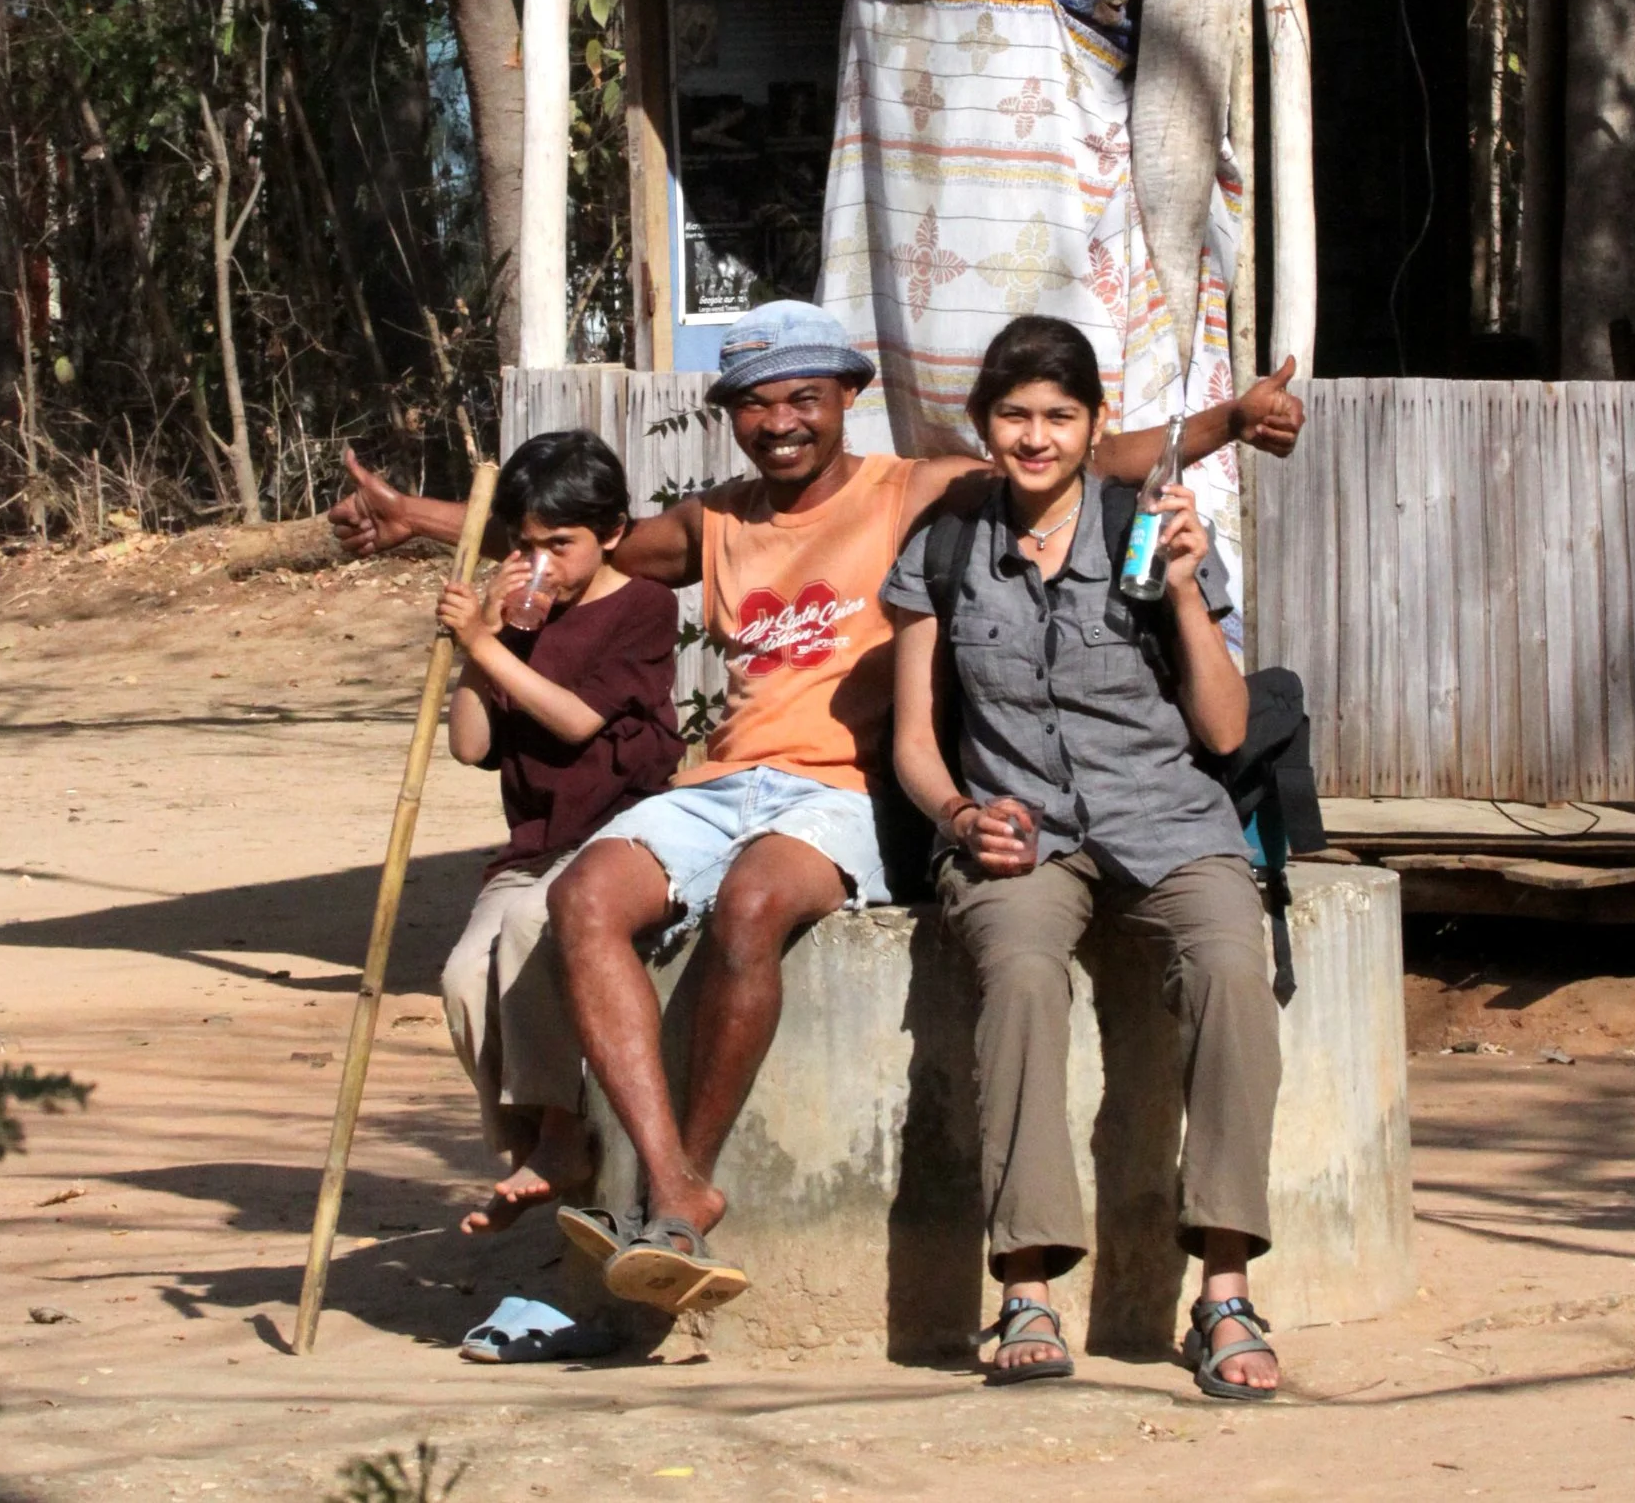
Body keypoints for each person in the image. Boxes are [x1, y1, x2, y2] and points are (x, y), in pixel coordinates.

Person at [329, 299, 1303, 1318]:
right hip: (724, 782)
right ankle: (675, 1192)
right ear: (732, 417)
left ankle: (684, 1189)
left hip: (841, 790)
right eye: (755, 404)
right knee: (582, 899)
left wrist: (1231, 419)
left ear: (850, 399)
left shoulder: (916, 492)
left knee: (754, 904)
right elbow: (575, 539)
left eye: (805, 397)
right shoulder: (716, 523)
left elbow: (1082, 450)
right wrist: (421, 520)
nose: (781, 421)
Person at [886, 315, 1282, 1399]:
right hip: (1023, 835)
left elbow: (1226, 730)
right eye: (1014, 414)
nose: (1036, 436)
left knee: (1233, 975)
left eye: (1060, 415)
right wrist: (963, 820)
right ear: (984, 426)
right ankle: (1026, 1286)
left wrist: (1191, 591)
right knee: (1017, 978)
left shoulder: (1149, 528)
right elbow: (915, 738)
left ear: (1094, 425)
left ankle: (1226, 1291)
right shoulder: (948, 544)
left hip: (1167, 817)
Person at [435, 430, 680, 1237]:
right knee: (466, 976)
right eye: (527, 545)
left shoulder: (641, 607)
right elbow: (470, 744)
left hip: (616, 831)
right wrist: (486, 644)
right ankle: (526, 1148)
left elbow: (577, 722)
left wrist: (483, 644)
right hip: (534, 842)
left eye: (562, 545)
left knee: (534, 930)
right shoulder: (515, 623)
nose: (544, 563)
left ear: (611, 532)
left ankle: (562, 1139)